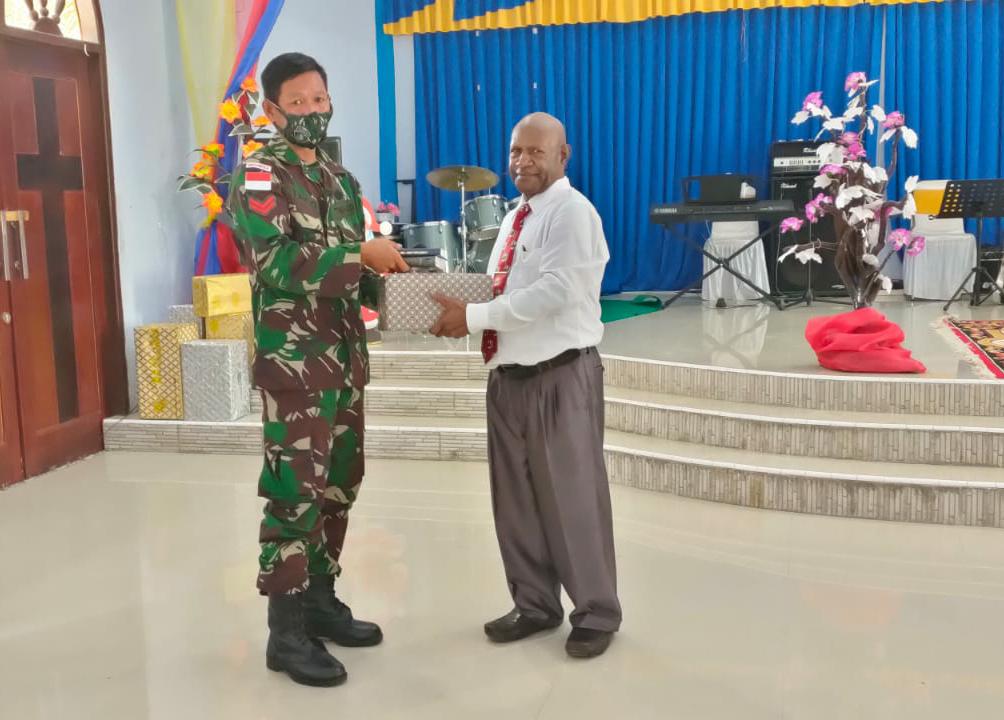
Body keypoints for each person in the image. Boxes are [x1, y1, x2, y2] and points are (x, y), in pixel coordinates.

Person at [229, 52, 408, 687]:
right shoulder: (259, 175)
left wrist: (398, 280)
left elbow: (357, 274)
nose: (311, 111)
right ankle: (285, 633)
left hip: (344, 361)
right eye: (297, 102)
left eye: (319, 99)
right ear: (273, 110)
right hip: (296, 367)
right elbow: (276, 261)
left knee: (339, 485)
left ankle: (320, 601)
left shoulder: (339, 178)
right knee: (294, 495)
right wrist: (360, 254)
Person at [431, 112, 622, 659]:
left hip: (558, 377)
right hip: (510, 380)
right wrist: (449, 307)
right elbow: (503, 291)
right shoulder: (517, 217)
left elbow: (555, 292)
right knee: (515, 503)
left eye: (536, 151)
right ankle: (535, 604)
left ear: (564, 155)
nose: (523, 161)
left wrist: (471, 317)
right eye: (516, 150)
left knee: (573, 500)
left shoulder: (572, 213)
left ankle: (596, 612)